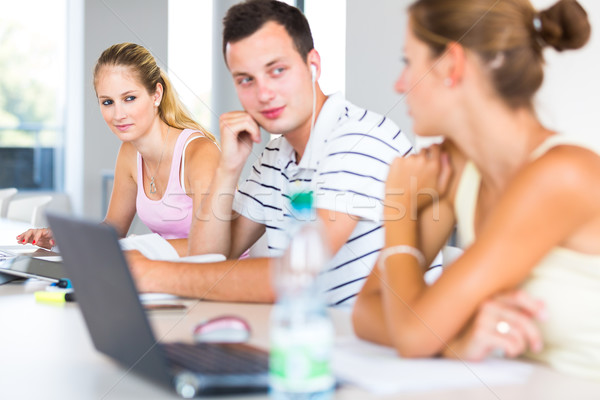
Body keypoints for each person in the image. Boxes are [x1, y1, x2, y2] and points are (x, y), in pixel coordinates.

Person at [352, 0, 598, 380]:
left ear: (452, 65)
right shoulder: (457, 168)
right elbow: (367, 311)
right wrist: (456, 340)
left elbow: (413, 336)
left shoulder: (561, 175)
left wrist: (398, 207)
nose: (399, 85)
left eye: (408, 62)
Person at [126, 0, 414, 306]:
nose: (263, 94)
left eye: (277, 70)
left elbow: (295, 275)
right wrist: (227, 169)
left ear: (313, 65)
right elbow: (208, 258)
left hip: (368, 346)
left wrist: (152, 274)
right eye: (246, 79)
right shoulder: (276, 155)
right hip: (302, 338)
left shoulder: (357, 139)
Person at [16, 42, 220, 247]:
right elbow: (113, 229)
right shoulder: (130, 152)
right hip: (168, 271)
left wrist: (140, 249)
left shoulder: (200, 153)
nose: (118, 115)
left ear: (156, 95)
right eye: (108, 102)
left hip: (217, 274)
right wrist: (62, 237)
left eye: (129, 98)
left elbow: (211, 246)